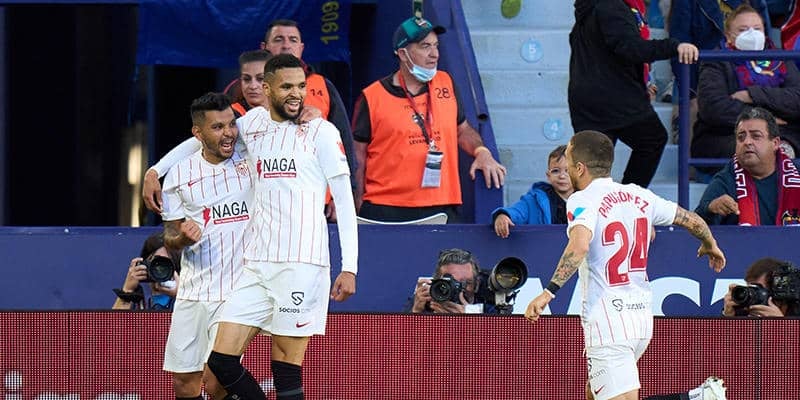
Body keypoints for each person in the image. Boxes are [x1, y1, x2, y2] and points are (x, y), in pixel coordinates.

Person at [525, 130, 726, 400]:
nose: (568, 170)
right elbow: (690, 219)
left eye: (570, 162)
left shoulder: (582, 199)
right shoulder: (639, 195)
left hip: (608, 322)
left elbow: (579, 246)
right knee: (595, 392)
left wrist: (548, 292)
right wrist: (710, 243)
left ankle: (697, 398)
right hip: (640, 320)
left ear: (580, 168)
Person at [205, 54, 358, 400]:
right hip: (256, 265)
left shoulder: (321, 131)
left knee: (285, 371)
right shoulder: (251, 125)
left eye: (301, 86)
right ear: (266, 88)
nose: (296, 94)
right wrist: (156, 171)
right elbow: (211, 136)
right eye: (287, 86)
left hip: (301, 264)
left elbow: (344, 201)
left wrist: (350, 267)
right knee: (220, 363)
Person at [352, 16, 507, 222]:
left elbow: (462, 130)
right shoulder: (372, 96)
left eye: (436, 45)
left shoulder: (446, 83)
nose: (434, 54)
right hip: (386, 207)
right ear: (403, 53)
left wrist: (482, 151)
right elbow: (357, 155)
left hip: (441, 205)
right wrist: (355, 201)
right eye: (425, 46)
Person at [159, 92, 254, 400]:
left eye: (231, 124)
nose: (228, 133)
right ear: (197, 133)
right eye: (217, 127)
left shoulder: (250, 159)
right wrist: (182, 238)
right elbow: (170, 236)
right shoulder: (179, 175)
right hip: (193, 291)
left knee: (217, 381)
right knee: (184, 383)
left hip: (236, 292)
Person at [568, 0, 699, 188]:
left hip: (590, 98)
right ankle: (628, 198)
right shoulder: (611, 6)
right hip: (614, 97)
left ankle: (619, 199)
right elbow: (631, 48)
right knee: (652, 139)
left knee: (593, 173)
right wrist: (673, 47)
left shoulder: (593, 6)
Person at [692, 4, 800, 179]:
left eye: (757, 29)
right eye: (743, 30)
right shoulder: (715, 60)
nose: (751, 34)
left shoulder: (781, 59)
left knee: (777, 148)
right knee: (761, 148)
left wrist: (752, 94)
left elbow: (796, 99)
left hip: (783, 135)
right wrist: (767, 121)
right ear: (728, 35)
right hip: (727, 137)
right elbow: (714, 107)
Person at [695, 107, 800, 226]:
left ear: (775, 143)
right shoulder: (726, 179)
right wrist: (711, 209)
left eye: (756, 136)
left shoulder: (797, 174)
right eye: (741, 137)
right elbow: (696, 226)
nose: (747, 142)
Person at [492, 145, 573, 237]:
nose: (562, 176)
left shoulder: (584, 200)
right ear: (548, 176)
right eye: (555, 171)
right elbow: (517, 211)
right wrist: (503, 216)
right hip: (545, 244)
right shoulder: (534, 200)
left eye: (568, 171)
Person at [404, 248, 498, 314]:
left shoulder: (487, 308)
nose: (457, 289)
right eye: (450, 282)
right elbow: (402, 335)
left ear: (476, 285)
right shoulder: (425, 301)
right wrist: (415, 312)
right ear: (436, 281)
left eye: (466, 283)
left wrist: (470, 320)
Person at [111, 231, 180, 310]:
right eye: (156, 261)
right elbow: (114, 318)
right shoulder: (137, 298)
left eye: (166, 262)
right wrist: (127, 290)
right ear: (145, 263)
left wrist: (182, 294)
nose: (160, 268)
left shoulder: (186, 297)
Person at [722, 257, 800, 317]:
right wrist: (728, 316)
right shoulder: (743, 310)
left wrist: (781, 324)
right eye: (750, 288)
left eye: (757, 289)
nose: (751, 295)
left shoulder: (796, 310)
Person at [230, 50, 272, 118]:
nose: (253, 86)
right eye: (246, 79)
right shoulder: (230, 116)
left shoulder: (287, 113)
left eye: (260, 78)